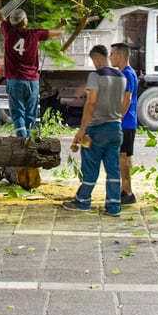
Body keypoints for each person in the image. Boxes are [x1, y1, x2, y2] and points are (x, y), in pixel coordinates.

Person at [63, 45, 131, 216]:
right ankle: (114, 206)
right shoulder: (122, 77)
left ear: (96, 59)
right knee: (113, 169)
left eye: (93, 60)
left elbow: (91, 102)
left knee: (91, 166)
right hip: (115, 128)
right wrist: (118, 118)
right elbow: (126, 100)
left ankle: (83, 201)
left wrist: (82, 130)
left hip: (96, 129)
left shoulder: (95, 76)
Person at [0, 0, 65, 139]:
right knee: (30, 113)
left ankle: (22, 139)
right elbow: (59, 32)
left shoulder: (8, 31)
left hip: (14, 81)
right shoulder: (35, 34)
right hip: (32, 81)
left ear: (13, 23)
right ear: (25, 21)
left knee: (17, 112)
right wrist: (62, 25)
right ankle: (30, 140)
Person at [110, 42, 139, 206]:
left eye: (112, 54)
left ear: (120, 56)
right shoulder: (127, 73)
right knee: (126, 156)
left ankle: (127, 191)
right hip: (129, 122)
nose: (110, 57)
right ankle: (126, 190)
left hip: (125, 122)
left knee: (122, 157)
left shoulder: (126, 74)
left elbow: (126, 98)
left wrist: (118, 118)